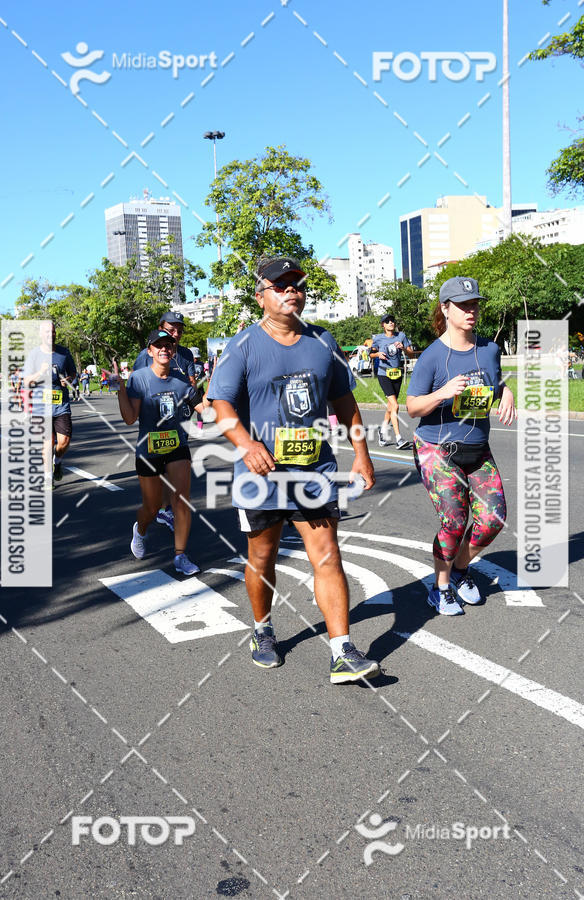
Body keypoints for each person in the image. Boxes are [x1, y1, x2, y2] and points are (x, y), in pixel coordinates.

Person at [208, 256, 380, 684]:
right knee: (262, 557)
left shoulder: (324, 341)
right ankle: (262, 630)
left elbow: (344, 402)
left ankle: (342, 650)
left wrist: (361, 453)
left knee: (327, 556)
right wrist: (246, 444)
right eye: (280, 285)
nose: (291, 291)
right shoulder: (242, 344)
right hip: (261, 477)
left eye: (297, 285)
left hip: (314, 473)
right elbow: (220, 404)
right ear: (260, 294)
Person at [406, 276, 515, 616]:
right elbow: (412, 408)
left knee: (493, 518)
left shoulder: (489, 349)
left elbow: (496, 382)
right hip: (437, 449)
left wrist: (507, 391)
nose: (471, 311)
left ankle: (461, 570)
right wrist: (442, 393)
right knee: (454, 521)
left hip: (477, 448)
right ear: (445, 309)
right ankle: (439, 588)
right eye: (463, 305)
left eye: (475, 304)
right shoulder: (433, 357)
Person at [117, 328, 203, 574]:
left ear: (174, 351)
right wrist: (121, 389)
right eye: (159, 346)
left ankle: (180, 556)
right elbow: (130, 418)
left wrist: (216, 385)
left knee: (181, 500)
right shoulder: (139, 378)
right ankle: (140, 530)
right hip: (148, 450)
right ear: (150, 351)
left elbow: (204, 409)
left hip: (177, 446)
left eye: (169, 345)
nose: (165, 349)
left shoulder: (180, 381)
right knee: (152, 507)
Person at [133, 310, 197, 532]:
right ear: (161, 328)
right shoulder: (146, 355)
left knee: (176, 462)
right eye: (171, 330)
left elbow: (191, 382)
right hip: (155, 418)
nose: (176, 334)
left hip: (181, 416)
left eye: (179, 330)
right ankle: (161, 507)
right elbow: (140, 383)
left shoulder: (186, 354)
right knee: (161, 465)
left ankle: (168, 508)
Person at [23, 322, 77, 486]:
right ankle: (48, 477)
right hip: (41, 406)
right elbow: (26, 381)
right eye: (47, 332)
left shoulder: (64, 352)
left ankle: (58, 461)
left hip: (61, 404)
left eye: (52, 331)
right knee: (47, 442)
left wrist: (67, 380)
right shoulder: (34, 354)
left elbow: (73, 373)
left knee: (64, 441)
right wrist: (40, 372)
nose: (50, 334)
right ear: (41, 334)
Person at [370, 314, 415, 450]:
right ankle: (399, 438)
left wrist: (403, 348)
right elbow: (371, 353)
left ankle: (382, 431)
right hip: (384, 374)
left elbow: (411, 354)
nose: (391, 323)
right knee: (395, 405)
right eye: (387, 321)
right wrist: (377, 354)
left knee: (391, 405)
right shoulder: (378, 338)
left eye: (392, 320)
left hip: (397, 374)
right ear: (383, 325)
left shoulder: (401, 336)